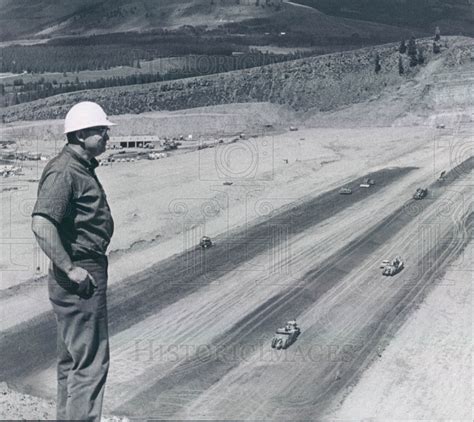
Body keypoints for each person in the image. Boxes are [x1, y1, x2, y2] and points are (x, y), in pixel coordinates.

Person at [31, 101, 116, 421]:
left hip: (79, 272)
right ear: (81, 134)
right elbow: (41, 224)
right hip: (80, 273)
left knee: (72, 362)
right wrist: (70, 268)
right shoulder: (65, 171)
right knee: (91, 365)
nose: (106, 135)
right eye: (100, 130)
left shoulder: (78, 167)